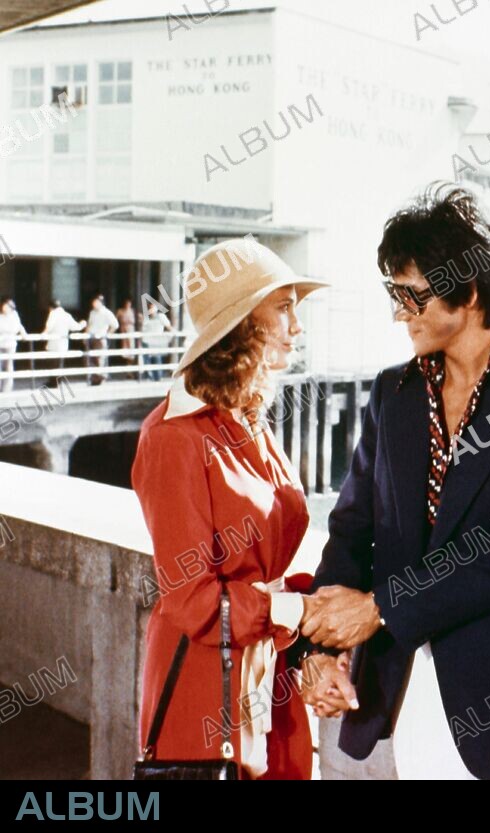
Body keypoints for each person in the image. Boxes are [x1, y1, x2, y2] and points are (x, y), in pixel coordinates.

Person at [294, 184, 490, 780]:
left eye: (412, 296)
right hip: (384, 700)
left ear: (470, 292)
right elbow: (351, 531)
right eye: (394, 294)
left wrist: (379, 609)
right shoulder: (390, 392)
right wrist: (322, 652)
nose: (400, 312)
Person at [131, 239, 331, 779]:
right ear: (244, 325)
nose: (298, 325)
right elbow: (193, 601)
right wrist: (299, 611)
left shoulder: (247, 420)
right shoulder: (172, 438)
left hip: (267, 676)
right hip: (205, 690)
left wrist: (323, 598)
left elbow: (271, 561)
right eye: (284, 308)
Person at [41, 299, 86, 388]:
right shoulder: (66, 315)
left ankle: (53, 382)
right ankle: (57, 382)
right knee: (59, 364)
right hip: (63, 343)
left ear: (50, 307)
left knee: (52, 364)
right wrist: (82, 324)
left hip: (53, 343)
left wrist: (43, 334)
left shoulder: (53, 314)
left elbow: (49, 326)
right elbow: (75, 327)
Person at [85, 294, 118, 385]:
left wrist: (108, 334)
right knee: (91, 359)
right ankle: (94, 378)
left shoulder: (107, 312)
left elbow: (115, 325)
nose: (94, 304)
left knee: (100, 359)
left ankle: (101, 378)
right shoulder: (92, 312)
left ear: (100, 302)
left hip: (100, 338)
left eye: (96, 302)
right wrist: (85, 335)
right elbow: (89, 324)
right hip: (91, 337)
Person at [0, 297, 27, 393]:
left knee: (8, 367)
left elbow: (18, 326)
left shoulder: (14, 315)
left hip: (10, 344)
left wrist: (23, 333)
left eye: (8, 306)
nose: (6, 308)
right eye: (5, 306)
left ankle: (6, 389)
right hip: (0, 344)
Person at [140, 302, 173, 381]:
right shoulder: (146, 318)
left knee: (157, 359)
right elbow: (142, 330)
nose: (150, 310)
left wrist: (168, 339)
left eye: (152, 308)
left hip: (157, 342)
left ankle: (158, 378)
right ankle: (149, 377)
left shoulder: (161, 317)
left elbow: (169, 328)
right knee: (146, 360)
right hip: (146, 342)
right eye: (149, 308)